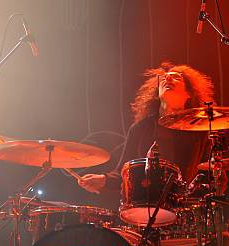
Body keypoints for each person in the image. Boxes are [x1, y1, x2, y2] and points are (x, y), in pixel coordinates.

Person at [77, 62, 214, 195]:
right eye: (164, 78)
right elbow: (125, 171)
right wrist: (104, 180)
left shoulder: (200, 130)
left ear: (189, 94)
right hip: (146, 205)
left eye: (176, 77)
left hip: (185, 207)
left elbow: (210, 173)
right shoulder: (140, 128)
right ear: (157, 93)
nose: (168, 78)